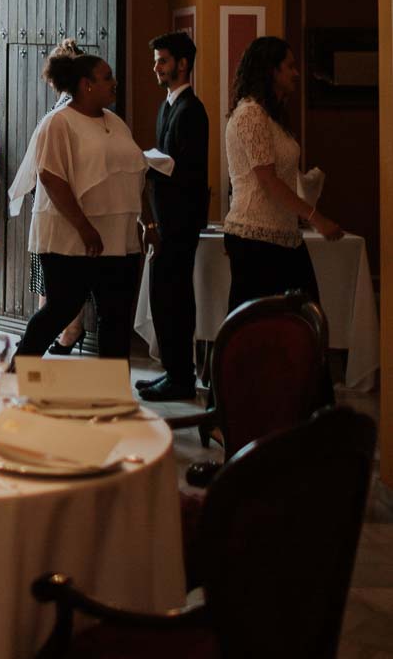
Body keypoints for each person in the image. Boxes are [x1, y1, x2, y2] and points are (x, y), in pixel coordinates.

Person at [15, 53, 147, 359]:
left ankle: (113, 391)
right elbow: (50, 177)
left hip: (118, 236)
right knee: (62, 308)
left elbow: (134, 172)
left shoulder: (115, 122)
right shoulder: (58, 123)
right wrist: (85, 228)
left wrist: (146, 222)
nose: (115, 83)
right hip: (70, 237)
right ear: (86, 85)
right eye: (107, 77)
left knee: (115, 316)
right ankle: (18, 368)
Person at [223, 35, 343, 311]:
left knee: (302, 315)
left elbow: (282, 175)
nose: (296, 72)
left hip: (281, 233)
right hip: (255, 236)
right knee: (263, 325)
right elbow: (267, 181)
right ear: (271, 70)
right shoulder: (251, 114)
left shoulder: (270, 116)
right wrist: (316, 218)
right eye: (289, 66)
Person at [138, 31, 210, 403]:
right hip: (166, 218)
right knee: (163, 296)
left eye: (163, 60)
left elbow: (192, 172)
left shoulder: (192, 110)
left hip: (181, 220)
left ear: (182, 64)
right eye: (156, 60)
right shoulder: (167, 105)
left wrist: (154, 164)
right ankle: (173, 371)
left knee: (176, 299)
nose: (157, 67)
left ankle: (181, 378)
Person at [7, 39, 87, 354]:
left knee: (62, 288)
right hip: (53, 200)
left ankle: (68, 331)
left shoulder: (68, 109)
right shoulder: (64, 108)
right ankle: (61, 333)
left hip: (64, 203)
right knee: (55, 285)